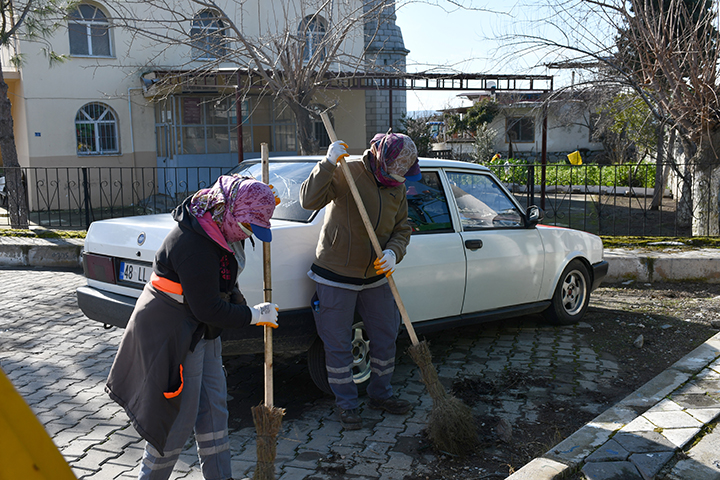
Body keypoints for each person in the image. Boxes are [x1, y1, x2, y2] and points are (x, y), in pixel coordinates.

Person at [106, 174, 280, 480]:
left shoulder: (220, 228)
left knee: (214, 411)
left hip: (203, 330)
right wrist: (252, 315)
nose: (248, 233)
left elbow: (224, 284)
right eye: (248, 225)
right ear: (231, 210)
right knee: (176, 421)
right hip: (174, 332)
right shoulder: (195, 244)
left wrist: (242, 306)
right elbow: (208, 308)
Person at [299, 132, 421, 430]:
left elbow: (402, 229)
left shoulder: (398, 186)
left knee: (385, 336)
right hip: (336, 275)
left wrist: (394, 252)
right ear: (381, 158)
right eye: (394, 170)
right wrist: (327, 164)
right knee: (338, 343)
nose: (398, 176)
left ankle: (381, 394)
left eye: (402, 173)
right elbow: (308, 200)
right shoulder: (348, 171)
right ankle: (347, 405)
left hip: (377, 276)